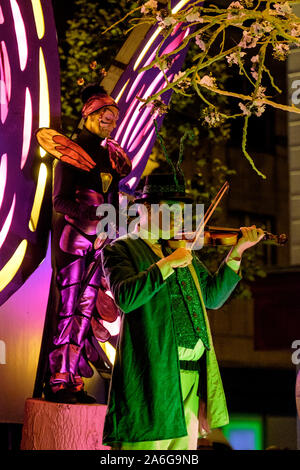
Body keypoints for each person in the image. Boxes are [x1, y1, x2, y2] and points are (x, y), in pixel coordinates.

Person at [100, 173, 264, 450]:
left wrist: (237, 251)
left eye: (181, 211)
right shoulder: (121, 249)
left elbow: (212, 297)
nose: (178, 218)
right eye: (170, 210)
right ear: (144, 209)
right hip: (155, 376)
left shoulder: (180, 250)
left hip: (192, 377)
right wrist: (166, 264)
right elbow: (126, 298)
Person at [43, 84, 131, 404]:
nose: (110, 122)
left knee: (85, 310)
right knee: (66, 308)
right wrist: (95, 214)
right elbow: (60, 201)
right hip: (72, 240)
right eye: (105, 116)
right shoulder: (68, 154)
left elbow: (114, 201)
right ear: (89, 115)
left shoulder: (113, 158)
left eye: (114, 118)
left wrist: (115, 224)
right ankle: (57, 377)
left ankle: (74, 377)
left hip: (100, 243)